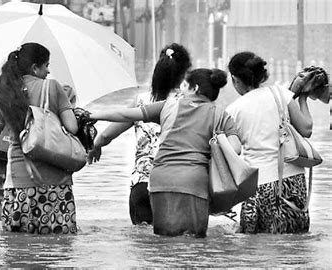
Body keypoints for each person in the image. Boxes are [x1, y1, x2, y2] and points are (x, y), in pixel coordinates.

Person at [89, 68, 241, 237]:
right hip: (193, 181)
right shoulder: (220, 115)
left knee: (163, 241)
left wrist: (93, 115)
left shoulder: (167, 106)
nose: (180, 89)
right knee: (193, 242)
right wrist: (215, 143)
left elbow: (125, 114)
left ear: (195, 88)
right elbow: (236, 149)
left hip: (160, 180)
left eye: (184, 85)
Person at [0, 43, 79, 235]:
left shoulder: (3, 95)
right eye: (46, 65)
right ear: (35, 67)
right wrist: (66, 105)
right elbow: (72, 128)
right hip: (56, 183)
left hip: (18, 185)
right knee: (55, 253)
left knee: (16, 252)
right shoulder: (53, 87)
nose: (48, 70)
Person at [87, 43, 192, 225]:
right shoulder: (190, 104)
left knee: (144, 248)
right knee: (177, 248)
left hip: (142, 185)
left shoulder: (142, 101)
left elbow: (107, 135)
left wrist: (95, 146)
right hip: (177, 186)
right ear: (185, 73)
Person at [226, 52, 313, 234]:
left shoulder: (234, 110)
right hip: (293, 180)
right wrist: (303, 97)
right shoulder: (281, 94)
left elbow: (232, 152)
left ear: (235, 79)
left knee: (259, 247)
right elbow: (306, 129)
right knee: (295, 240)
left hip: (259, 183)